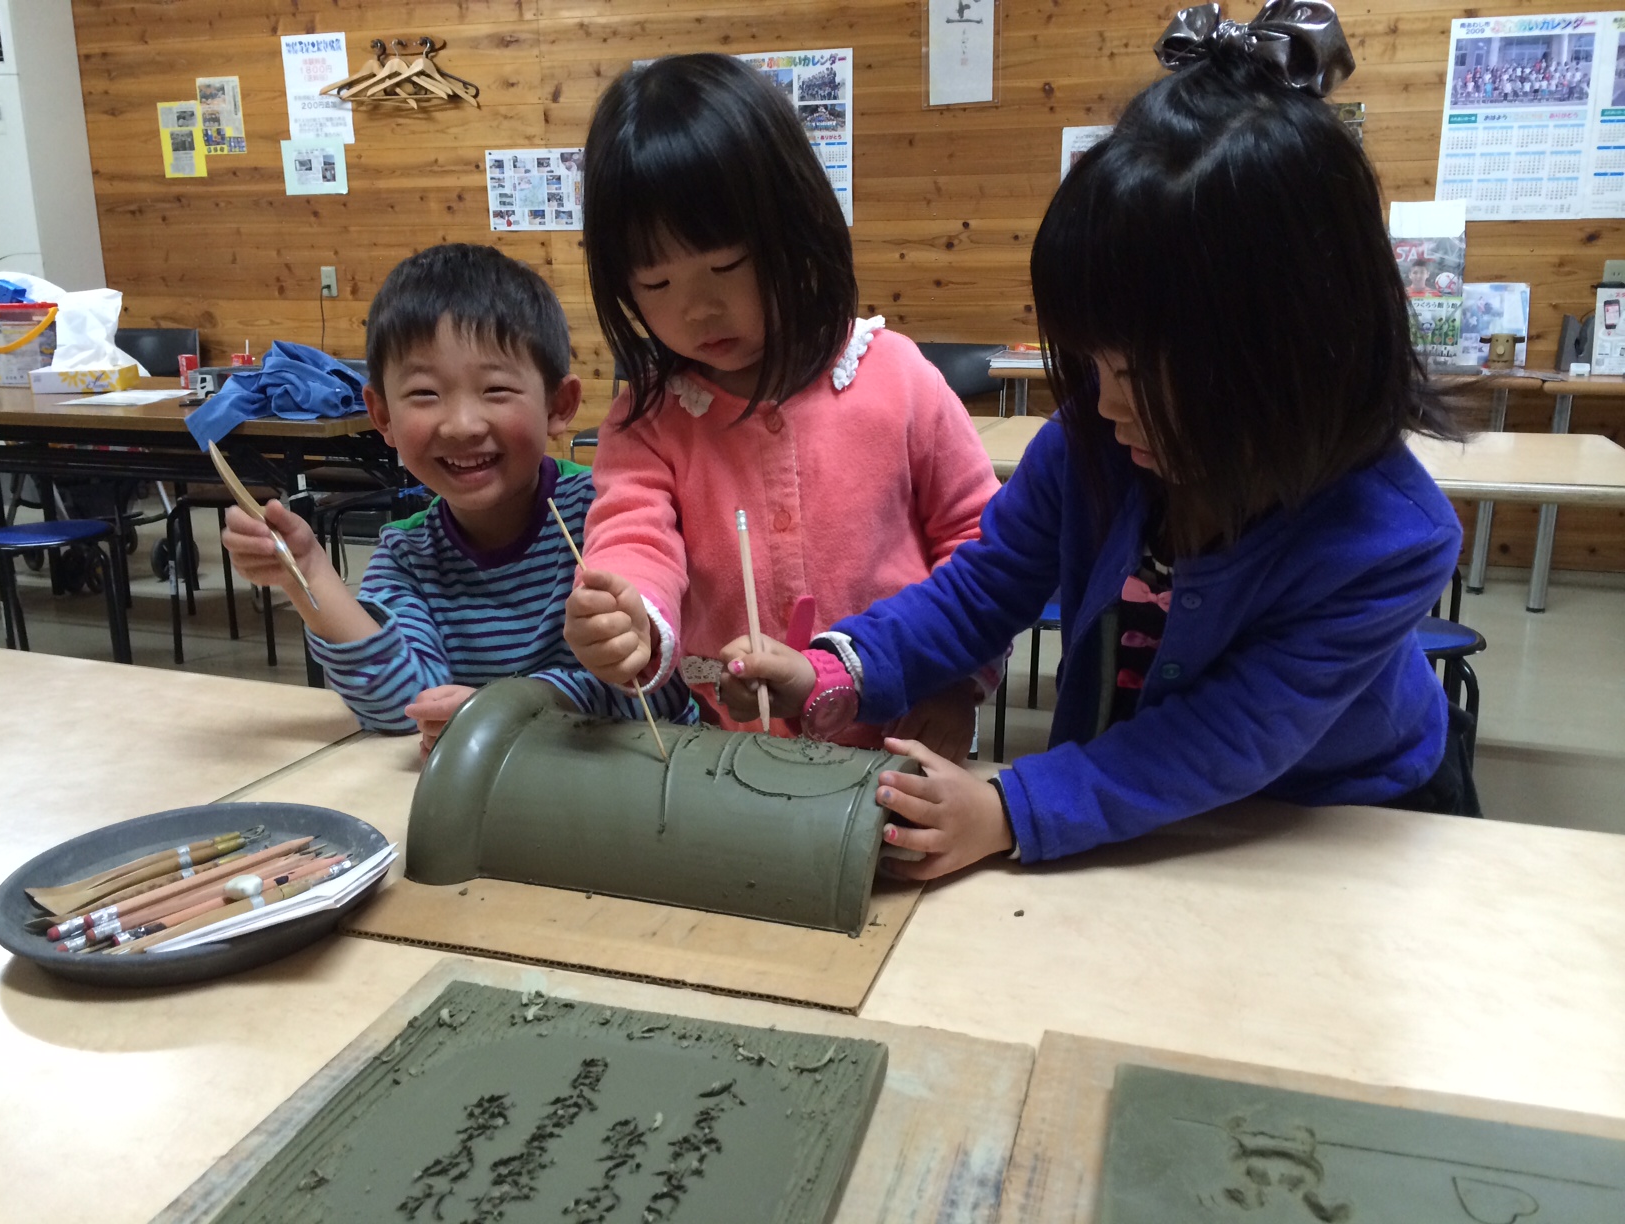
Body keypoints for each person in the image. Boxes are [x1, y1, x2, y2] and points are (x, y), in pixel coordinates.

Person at [723, 2, 1478, 880]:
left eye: (1139, 376)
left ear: (1289, 360)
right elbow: (981, 590)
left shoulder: (1390, 540)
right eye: (1092, 365)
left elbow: (1227, 736)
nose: (1102, 405)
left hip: (1339, 832)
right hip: (1135, 804)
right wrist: (838, 669)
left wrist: (1012, 807)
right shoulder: (1095, 440)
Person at [563, 53, 1001, 760]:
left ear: (793, 227)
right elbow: (634, 543)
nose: (698, 309)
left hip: (907, 736)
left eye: (727, 266)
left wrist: (954, 687)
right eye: (655, 282)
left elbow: (983, 547)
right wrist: (630, 621)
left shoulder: (894, 377)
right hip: (732, 750)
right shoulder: (648, 426)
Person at [222, 244, 696, 751]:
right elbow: (402, 707)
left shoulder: (612, 518)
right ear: (382, 416)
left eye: (495, 390)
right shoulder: (406, 555)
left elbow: (661, 690)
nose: (462, 425)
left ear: (559, 405)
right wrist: (312, 577)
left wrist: (499, 712)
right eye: (425, 394)